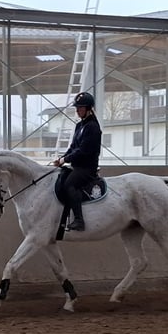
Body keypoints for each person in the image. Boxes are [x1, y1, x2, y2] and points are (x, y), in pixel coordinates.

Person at [51, 92, 102, 231]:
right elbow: (73, 147)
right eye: (77, 108)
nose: (77, 110)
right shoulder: (80, 126)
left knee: (70, 185)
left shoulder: (93, 127)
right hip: (77, 166)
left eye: (80, 108)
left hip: (87, 168)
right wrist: (61, 159)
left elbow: (84, 151)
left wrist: (65, 159)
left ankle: (79, 220)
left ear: (88, 108)